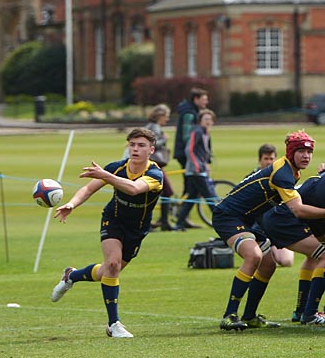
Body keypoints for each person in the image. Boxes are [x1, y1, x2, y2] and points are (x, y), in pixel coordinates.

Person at [211, 131, 325, 331]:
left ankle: (250, 316)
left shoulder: (292, 172)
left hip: (248, 219)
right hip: (228, 216)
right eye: (301, 151)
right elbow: (297, 209)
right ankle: (229, 315)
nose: (306, 156)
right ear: (290, 152)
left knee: (269, 264)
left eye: (309, 151)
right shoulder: (282, 172)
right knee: (253, 256)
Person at [50, 127, 165, 339]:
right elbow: (88, 189)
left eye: (141, 145)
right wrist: (72, 204)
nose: (135, 149)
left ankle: (71, 276)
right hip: (112, 219)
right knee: (112, 264)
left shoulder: (155, 174)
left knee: (107, 272)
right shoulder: (117, 167)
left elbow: (133, 188)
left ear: (151, 150)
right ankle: (114, 324)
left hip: (136, 230)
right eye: (132, 144)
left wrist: (105, 175)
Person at [171, 88, 208, 229]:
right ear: (196, 99)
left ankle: (182, 219)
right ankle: (181, 219)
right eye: (204, 99)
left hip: (187, 155)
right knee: (196, 188)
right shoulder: (189, 114)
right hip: (188, 156)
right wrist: (196, 157)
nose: (206, 102)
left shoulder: (191, 112)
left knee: (192, 190)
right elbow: (188, 138)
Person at [256, 144, 295, 267]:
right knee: (266, 263)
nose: (269, 162)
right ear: (259, 160)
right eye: (266, 159)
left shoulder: (282, 179)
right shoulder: (251, 180)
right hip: (259, 230)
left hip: (276, 226)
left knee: (286, 262)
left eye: (271, 159)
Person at [142, 104, 175, 231]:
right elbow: (152, 144)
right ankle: (162, 222)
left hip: (152, 165)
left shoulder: (151, 126)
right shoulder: (154, 127)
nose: (167, 119)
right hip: (153, 164)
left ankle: (161, 222)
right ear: (160, 116)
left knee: (160, 193)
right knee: (166, 192)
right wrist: (164, 140)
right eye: (166, 116)